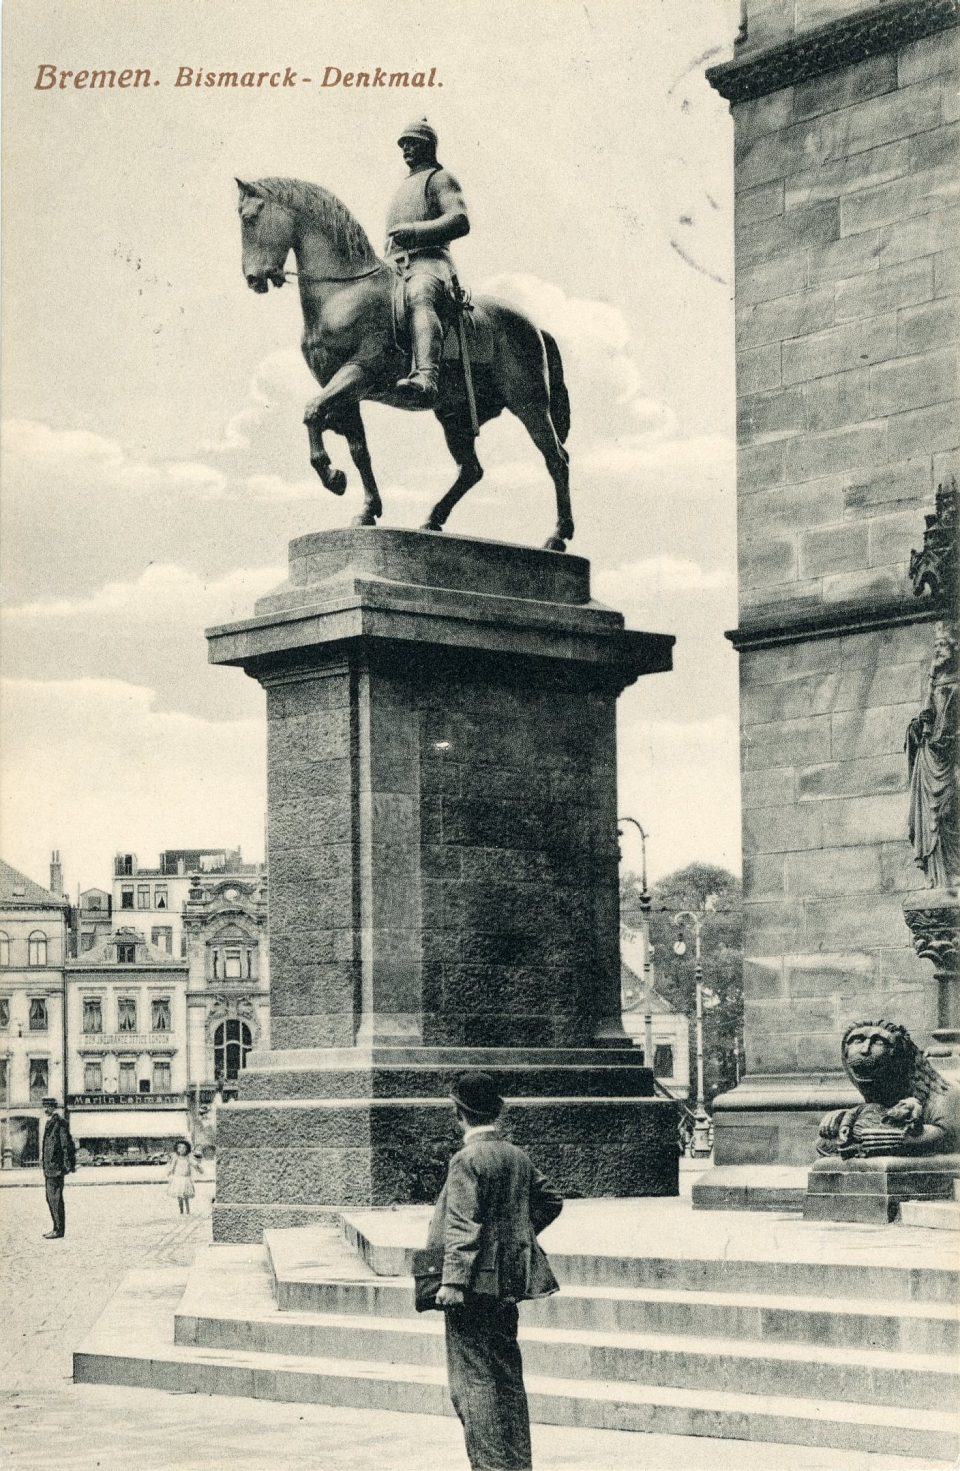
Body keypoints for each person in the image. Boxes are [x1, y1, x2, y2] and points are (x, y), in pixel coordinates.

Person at [428, 1071, 563, 1471]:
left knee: (473, 1385)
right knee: (506, 1381)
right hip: (509, 1286)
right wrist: (513, 1240)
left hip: (470, 1290)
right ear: (496, 1111)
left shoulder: (466, 1159)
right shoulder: (515, 1155)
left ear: (459, 1113)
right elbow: (550, 1201)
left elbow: (462, 1223)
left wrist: (453, 1281)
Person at [385, 117, 470, 407]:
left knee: (419, 293)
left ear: (429, 146)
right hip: (397, 266)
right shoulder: (403, 186)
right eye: (403, 143)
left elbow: (459, 220)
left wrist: (416, 231)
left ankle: (426, 376)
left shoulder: (440, 178)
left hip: (431, 263)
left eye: (413, 142)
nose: (406, 148)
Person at [40, 1097, 75, 1239]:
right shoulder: (51, 1122)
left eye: (47, 1106)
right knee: (51, 1198)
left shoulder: (59, 1123)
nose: (45, 1109)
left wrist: (66, 1166)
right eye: (44, 1106)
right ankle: (57, 1228)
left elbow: (65, 1145)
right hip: (50, 1168)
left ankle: (58, 1230)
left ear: (53, 1107)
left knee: (55, 1199)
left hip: (56, 1168)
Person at [167, 1138, 203, 1215]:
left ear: (187, 1149)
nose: (182, 1149)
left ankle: (188, 1211)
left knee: (186, 1195)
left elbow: (194, 1164)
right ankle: (181, 1211)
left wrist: (199, 1168)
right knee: (179, 1196)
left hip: (186, 1179)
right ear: (177, 1149)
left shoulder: (188, 1158)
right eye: (180, 1148)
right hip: (178, 1179)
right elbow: (172, 1166)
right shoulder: (176, 1158)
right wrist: (169, 1172)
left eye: (184, 1148)